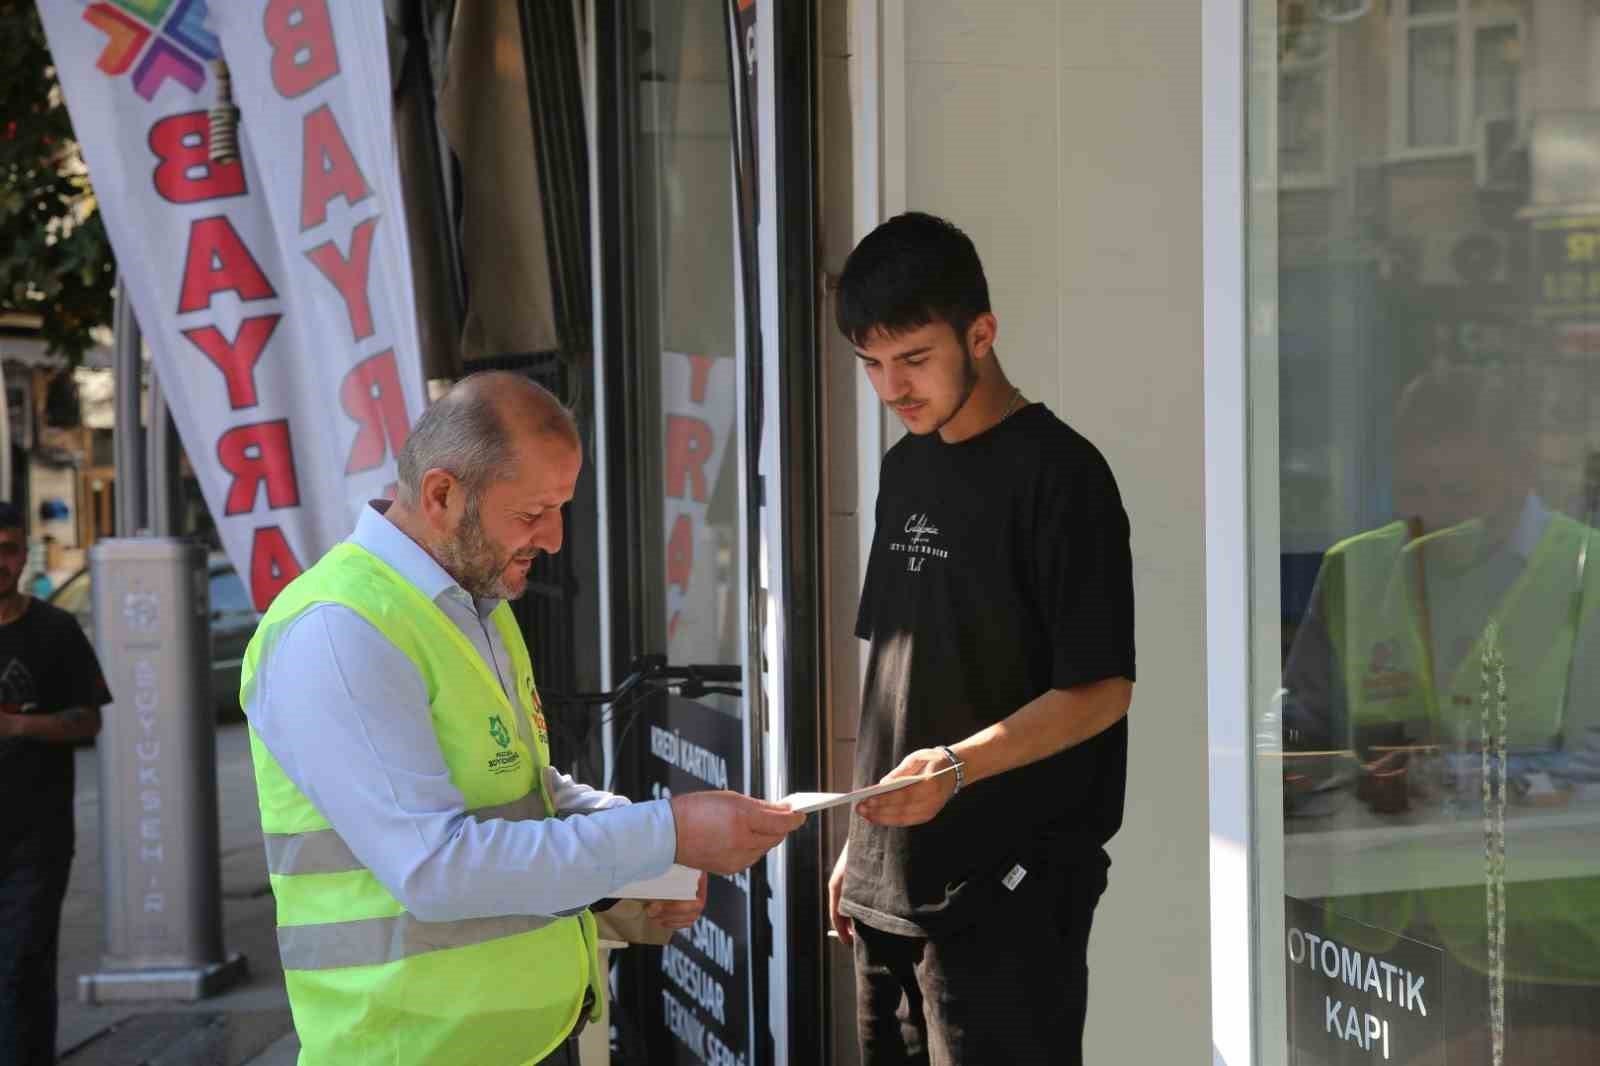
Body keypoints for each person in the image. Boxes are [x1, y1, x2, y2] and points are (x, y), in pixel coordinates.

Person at [242, 373, 803, 1066]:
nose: (557, 538)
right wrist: (664, 833)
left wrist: (644, 862)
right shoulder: (339, 630)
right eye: (534, 511)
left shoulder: (474, 604)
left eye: (562, 507)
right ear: (441, 495)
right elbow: (435, 869)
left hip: (525, 1043)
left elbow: (528, 795)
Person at [825, 213, 1136, 1065]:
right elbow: (896, 673)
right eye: (873, 365)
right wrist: (862, 838)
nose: (893, 388)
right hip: (890, 887)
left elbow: (1103, 689)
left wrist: (957, 767)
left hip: (1010, 894)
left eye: (914, 358)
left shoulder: (1063, 475)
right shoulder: (904, 465)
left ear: (982, 333)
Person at [0, 502, 109, 1066]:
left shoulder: (55, 630)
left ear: (24, 553)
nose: (0, 562)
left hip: (36, 839)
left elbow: (88, 719)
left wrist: (18, 725)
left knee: (22, 965)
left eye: (9, 549)